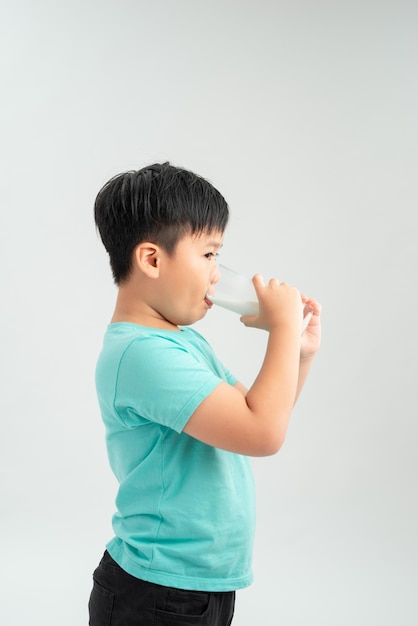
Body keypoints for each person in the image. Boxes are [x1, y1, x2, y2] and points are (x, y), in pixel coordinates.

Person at [88, 162, 321, 626]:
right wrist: (279, 327)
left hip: (196, 585)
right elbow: (263, 434)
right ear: (152, 260)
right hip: (156, 592)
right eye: (209, 255)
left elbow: (254, 416)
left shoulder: (179, 341)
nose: (217, 274)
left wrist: (297, 352)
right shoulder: (143, 353)